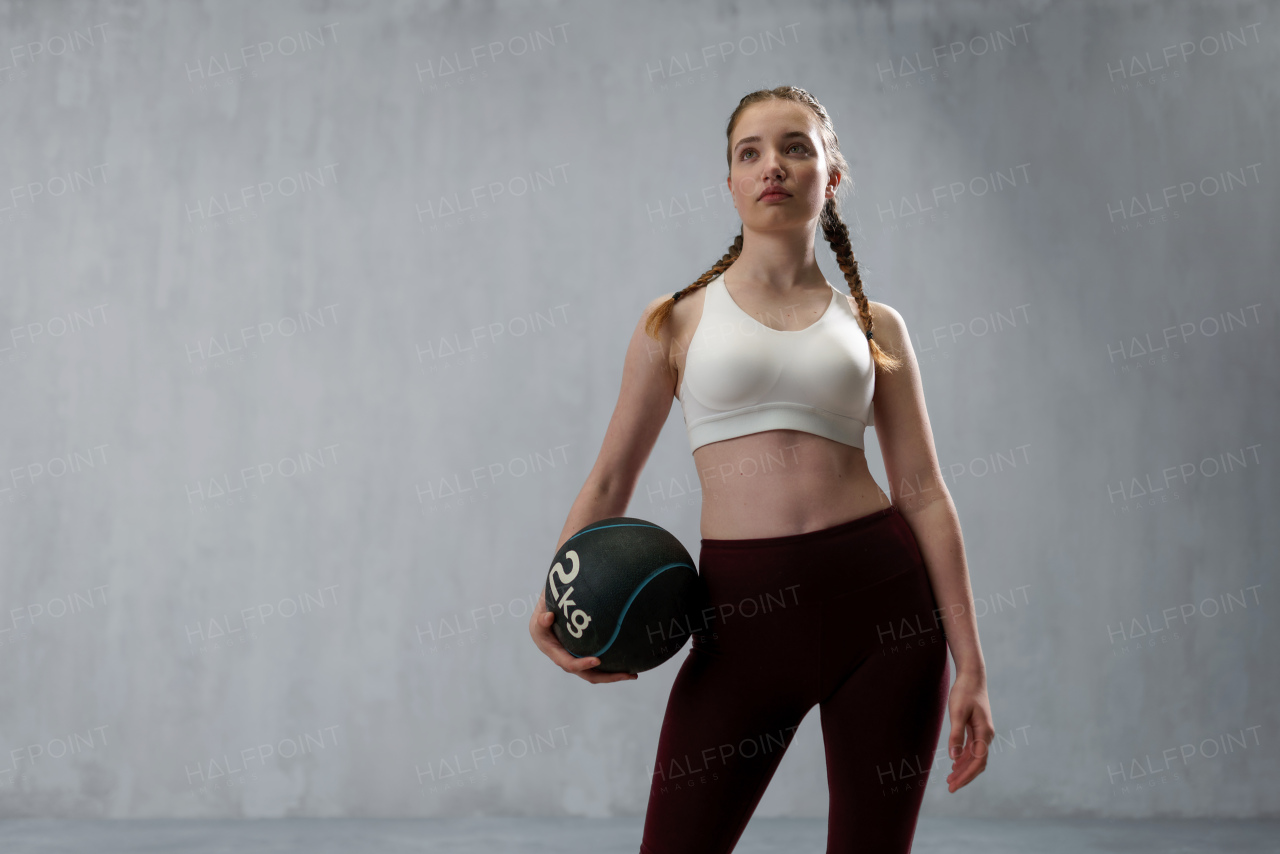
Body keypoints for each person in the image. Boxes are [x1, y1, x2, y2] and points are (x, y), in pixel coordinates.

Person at [528, 85, 994, 853]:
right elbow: (611, 480)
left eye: (795, 147)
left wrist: (972, 664)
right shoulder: (673, 319)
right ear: (732, 183)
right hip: (742, 622)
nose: (771, 165)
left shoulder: (876, 326)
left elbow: (925, 494)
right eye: (751, 153)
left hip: (887, 612)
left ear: (830, 176)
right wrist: (558, 598)